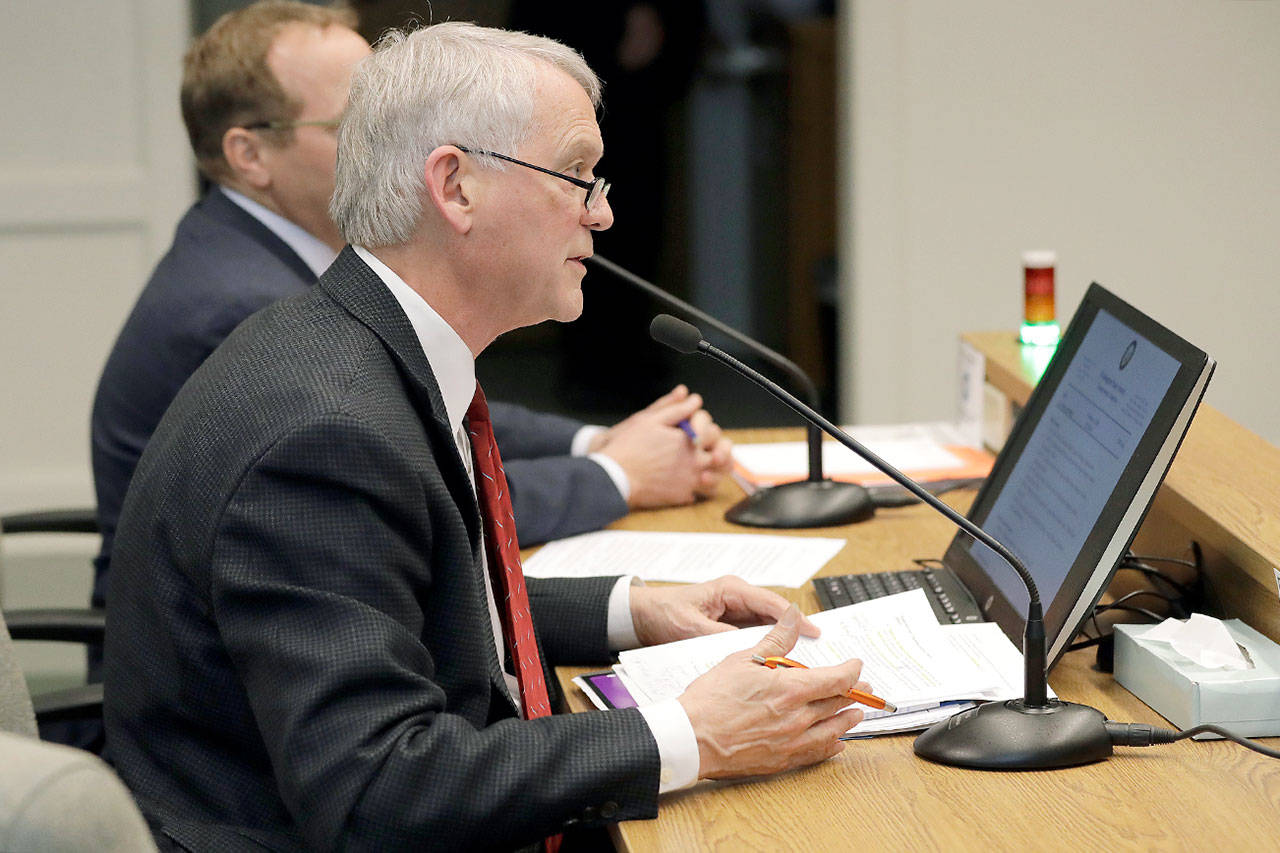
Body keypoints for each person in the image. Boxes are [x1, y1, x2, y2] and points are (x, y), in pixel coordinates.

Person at [103, 22, 868, 851]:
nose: (603, 211)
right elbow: (375, 794)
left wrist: (635, 609)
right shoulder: (326, 432)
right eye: (576, 174)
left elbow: (414, 597)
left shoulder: (359, 341)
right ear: (456, 187)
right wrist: (691, 734)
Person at [89, 0, 732, 622]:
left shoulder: (322, 286)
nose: (380, 144)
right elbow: (420, 513)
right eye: (354, 123)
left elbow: (428, 481)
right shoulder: (258, 322)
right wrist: (614, 473)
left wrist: (625, 596)